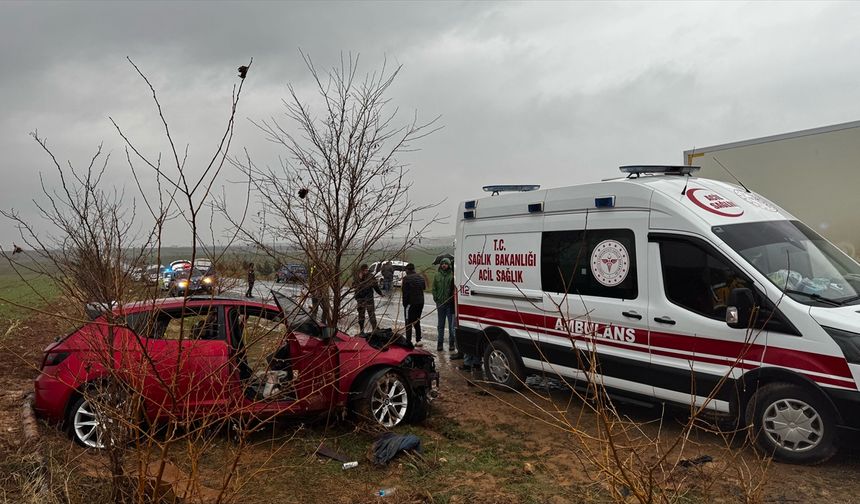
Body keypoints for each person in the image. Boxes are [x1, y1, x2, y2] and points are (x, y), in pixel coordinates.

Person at [432, 258, 456, 353]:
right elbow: (434, 288)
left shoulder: (452, 275)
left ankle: (451, 343)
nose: (444, 265)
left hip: (449, 305)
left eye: (446, 264)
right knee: (440, 325)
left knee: (451, 326)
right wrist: (436, 298)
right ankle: (440, 344)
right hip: (440, 304)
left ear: (449, 265)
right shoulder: (437, 275)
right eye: (443, 264)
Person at [354, 264, 383, 333]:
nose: (366, 271)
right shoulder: (357, 276)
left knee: (371, 314)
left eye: (367, 270)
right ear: (361, 270)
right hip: (360, 298)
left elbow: (375, 286)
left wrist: (380, 293)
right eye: (364, 270)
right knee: (361, 315)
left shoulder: (370, 276)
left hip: (369, 298)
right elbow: (354, 285)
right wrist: (360, 279)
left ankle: (374, 329)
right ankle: (361, 330)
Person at [401, 263, 425, 344]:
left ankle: (408, 341)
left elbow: (405, 294)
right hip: (420, 303)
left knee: (408, 322)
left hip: (410, 303)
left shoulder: (406, 279)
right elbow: (424, 287)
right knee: (417, 320)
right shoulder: (421, 277)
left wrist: (405, 305)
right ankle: (418, 340)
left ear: (407, 270)